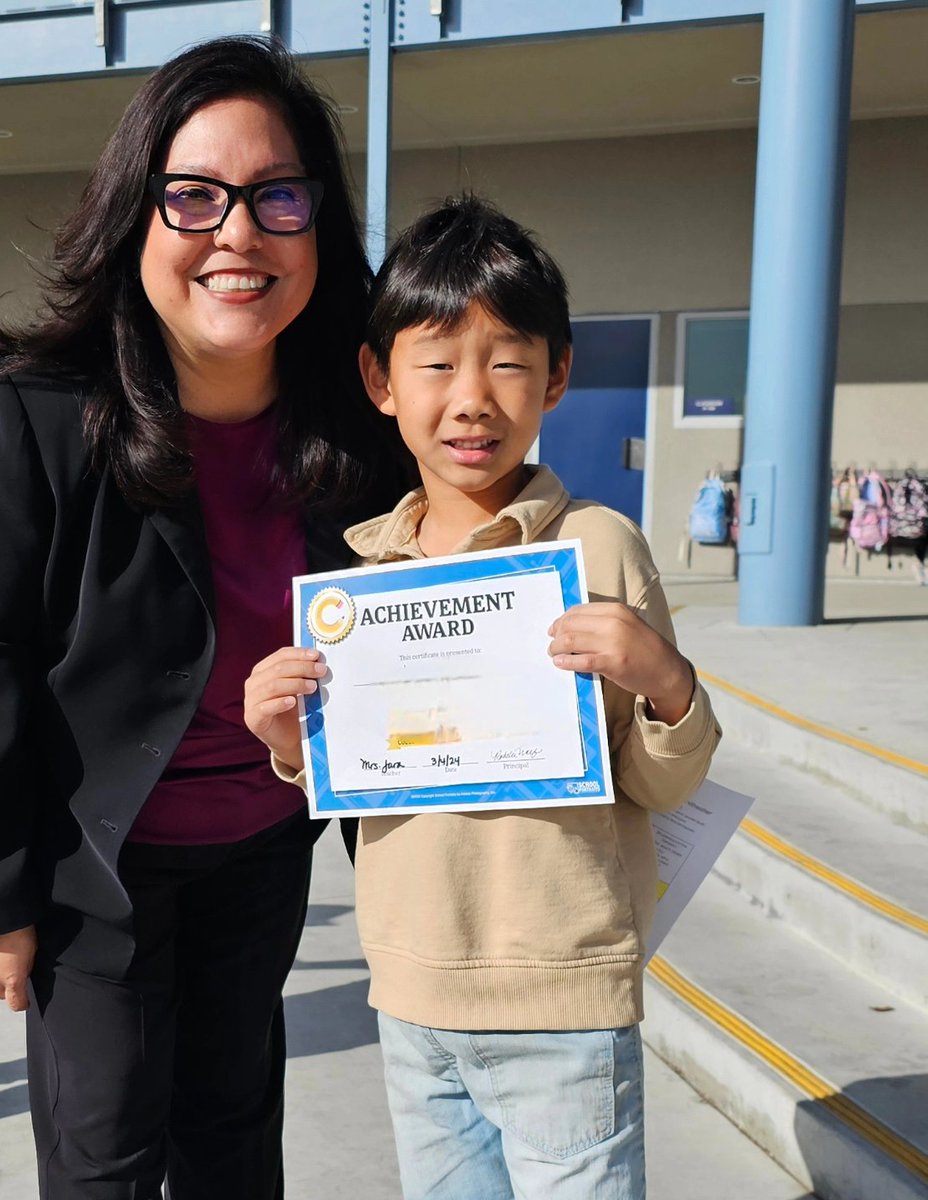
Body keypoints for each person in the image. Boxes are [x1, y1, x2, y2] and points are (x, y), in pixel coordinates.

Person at [0, 35, 404, 1200]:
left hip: (261, 855)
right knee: (106, 1156)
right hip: (96, 874)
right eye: (196, 197)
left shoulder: (362, 425)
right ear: (138, 217)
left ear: (318, 224)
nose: (239, 233)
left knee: (233, 1140)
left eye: (278, 197)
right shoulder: (38, 412)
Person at [244, 196, 722, 1200]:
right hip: (413, 995)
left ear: (556, 377)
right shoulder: (362, 578)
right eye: (436, 363)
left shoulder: (597, 548)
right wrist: (290, 738)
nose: (472, 398)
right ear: (379, 381)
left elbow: (660, 781)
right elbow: (352, 782)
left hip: (564, 1002)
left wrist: (667, 685)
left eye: (507, 362)